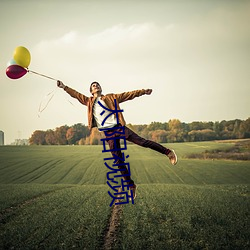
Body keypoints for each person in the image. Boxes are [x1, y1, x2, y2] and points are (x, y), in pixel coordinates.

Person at [57, 80, 177, 200]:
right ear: (91, 91)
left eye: (97, 85)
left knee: (143, 142)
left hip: (119, 128)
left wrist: (143, 92)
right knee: (118, 161)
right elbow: (75, 94)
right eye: (93, 86)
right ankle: (131, 185)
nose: (96, 86)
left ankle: (168, 152)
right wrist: (64, 87)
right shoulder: (88, 101)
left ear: (100, 88)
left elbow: (128, 94)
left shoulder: (111, 97)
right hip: (108, 133)